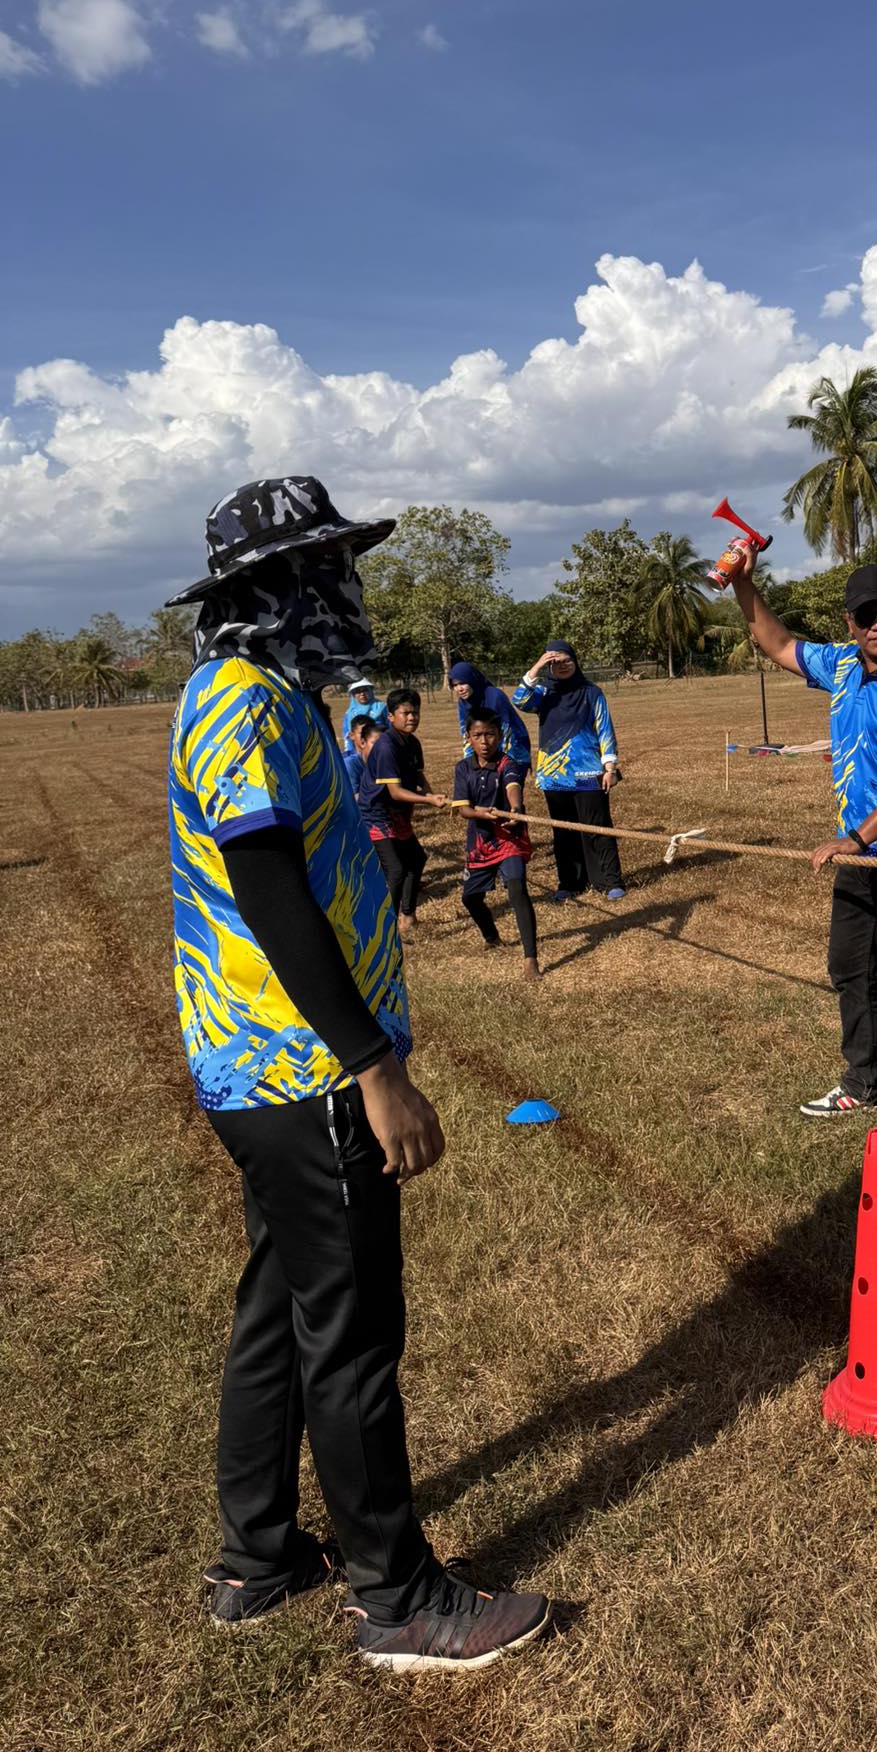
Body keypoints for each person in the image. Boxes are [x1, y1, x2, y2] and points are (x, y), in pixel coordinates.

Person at [165, 474, 550, 1670]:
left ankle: (258, 1554)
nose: (347, 588)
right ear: (274, 586)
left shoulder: (271, 692)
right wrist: (373, 1065)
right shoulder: (241, 698)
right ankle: (398, 1596)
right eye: (326, 568)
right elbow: (271, 890)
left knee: (281, 1308)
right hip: (304, 1071)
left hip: (268, 1072)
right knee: (352, 1330)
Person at [730, 550, 877, 1143]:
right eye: (867, 615)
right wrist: (744, 585)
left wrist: (855, 837)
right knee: (849, 967)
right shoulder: (842, 664)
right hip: (858, 856)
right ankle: (865, 1081)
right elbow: (778, 643)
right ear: (850, 622)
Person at [512, 641, 624, 901]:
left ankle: (609, 881)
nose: (562, 666)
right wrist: (537, 666)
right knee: (563, 832)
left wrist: (610, 768)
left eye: (566, 660)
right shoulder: (543, 694)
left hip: (588, 775)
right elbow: (519, 699)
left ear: (575, 661)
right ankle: (570, 883)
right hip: (554, 778)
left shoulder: (591, 692)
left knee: (597, 827)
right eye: (555, 662)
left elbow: (604, 729)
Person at [452, 706, 540, 977]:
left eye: (490, 734)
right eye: (477, 735)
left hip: (509, 838)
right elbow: (463, 810)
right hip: (481, 842)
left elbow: (513, 787)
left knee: (517, 889)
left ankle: (530, 959)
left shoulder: (507, 764)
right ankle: (492, 937)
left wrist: (515, 809)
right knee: (470, 898)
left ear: (500, 736)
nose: (484, 741)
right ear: (468, 737)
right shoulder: (463, 768)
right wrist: (481, 814)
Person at [359, 688, 446, 940]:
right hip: (376, 814)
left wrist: (433, 794)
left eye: (415, 712)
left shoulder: (412, 743)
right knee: (396, 870)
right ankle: (387, 928)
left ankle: (408, 916)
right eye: (405, 713)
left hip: (397, 813)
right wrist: (428, 800)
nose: (411, 717)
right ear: (390, 716)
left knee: (416, 859)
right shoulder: (387, 747)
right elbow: (395, 792)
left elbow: (418, 776)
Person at [448, 660, 531, 771]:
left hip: (513, 750)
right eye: (455, 685)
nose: (459, 689)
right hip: (488, 751)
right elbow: (467, 734)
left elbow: (506, 732)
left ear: (472, 680)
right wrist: (471, 763)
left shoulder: (495, 696)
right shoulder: (463, 702)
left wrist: (502, 765)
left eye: (462, 683)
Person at [342, 713, 381, 805]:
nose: (365, 736)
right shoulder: (348, 762)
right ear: (351, 735)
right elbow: (353, 798)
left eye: (369, 732)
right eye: (362, 733)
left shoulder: (381, 758)